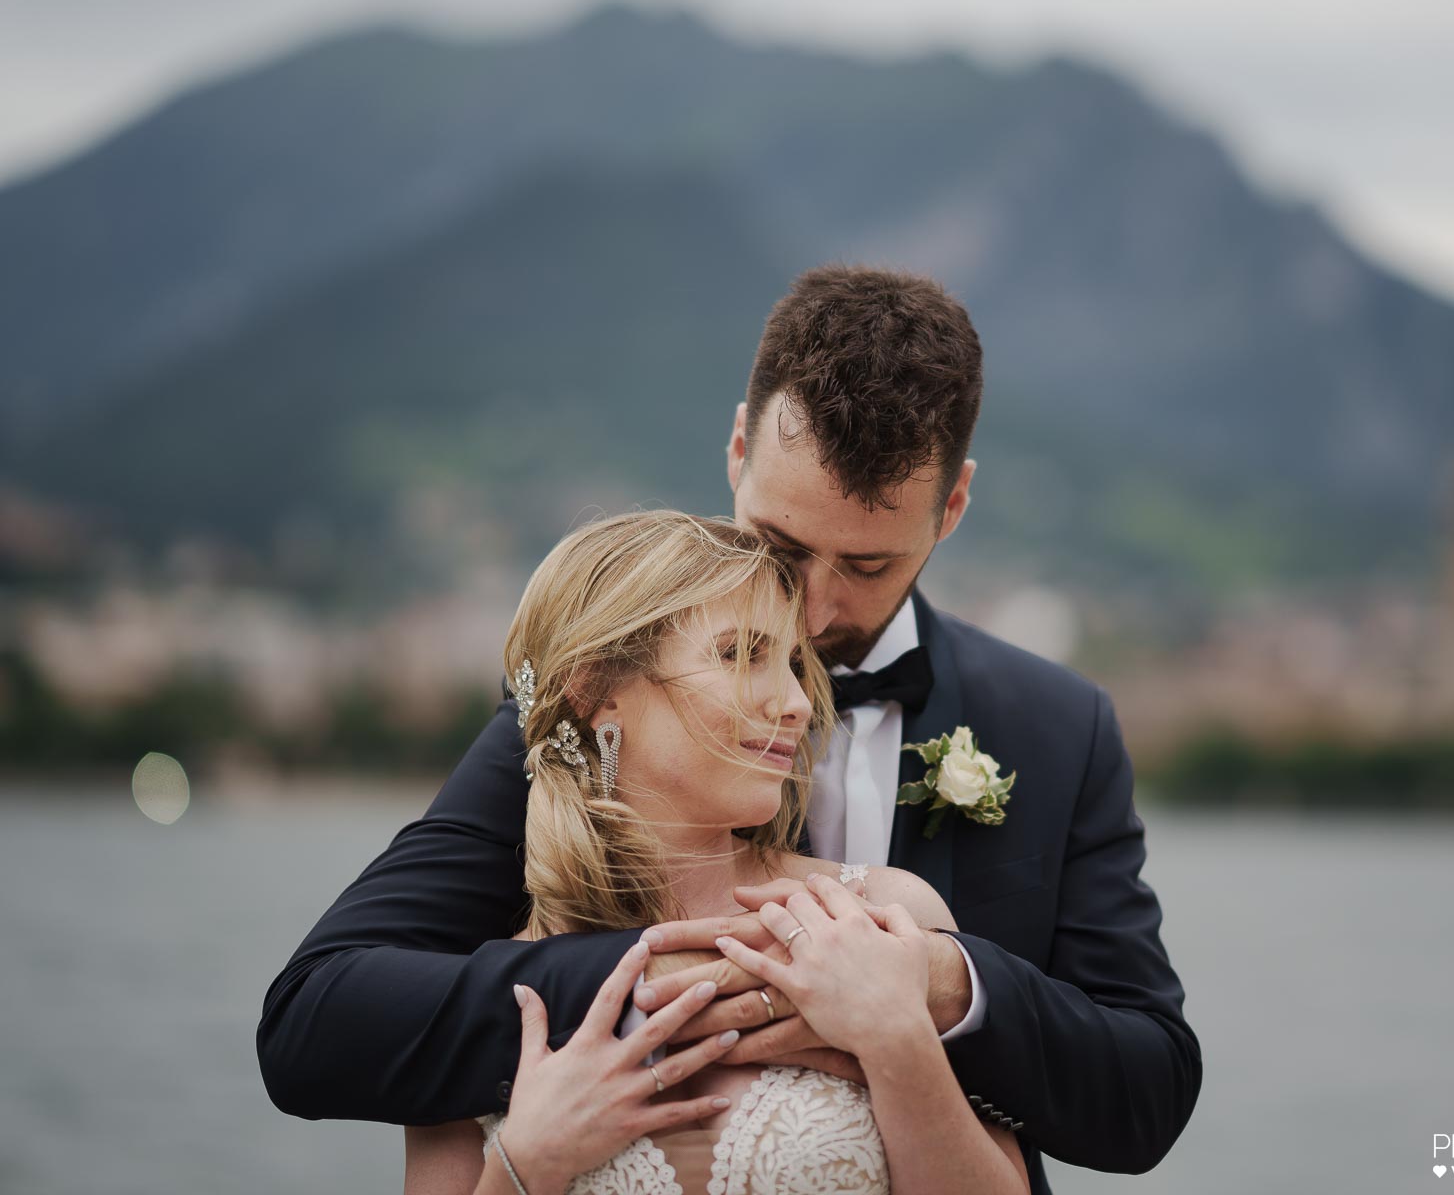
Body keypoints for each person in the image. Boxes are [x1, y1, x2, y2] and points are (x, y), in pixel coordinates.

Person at [259, 266, 1201, 1193]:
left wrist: (936, 988)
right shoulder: (591, 698)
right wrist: (688, 981)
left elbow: (1146, 1092)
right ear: (738, 450)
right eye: (784, 548)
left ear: (950, 508)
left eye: (868, 565)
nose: (815, 610)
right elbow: (317, 1024)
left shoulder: (1056, 728)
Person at [403, 510, 1028, 1194]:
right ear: (596, 696)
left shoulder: (884, 913)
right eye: (739, 654)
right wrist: (523, 1163)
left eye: (793, 663)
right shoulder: (477, 983)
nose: (796, 702)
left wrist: (899, 1042)